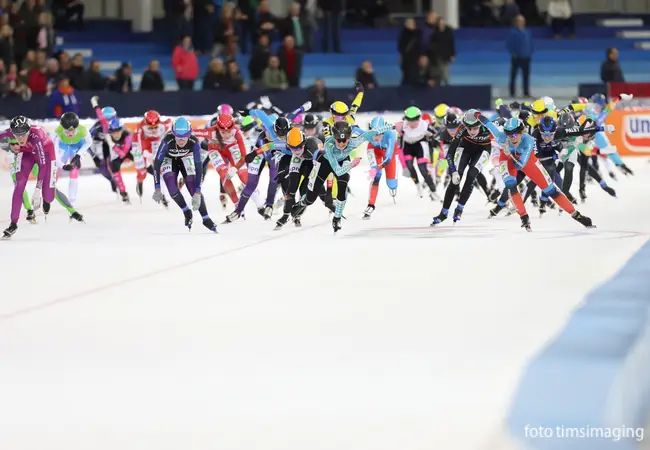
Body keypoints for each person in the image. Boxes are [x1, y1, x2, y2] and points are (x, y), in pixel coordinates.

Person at [152, 117, 217, 232]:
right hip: (169, 159)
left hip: (185, 158)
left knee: (193, 187)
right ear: (173, 134)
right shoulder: (167, 140)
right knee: (172, 189)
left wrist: (198, 192)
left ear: (189, 134)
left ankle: (206, 218)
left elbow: (199, 168)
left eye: (184, 137)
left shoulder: (194, 142)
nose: (181, 140)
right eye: (178, 137)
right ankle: (186, 211)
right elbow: (157, 164)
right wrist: (157, 188)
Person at [1, 116, 56, 239]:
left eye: (23, 135)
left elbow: (42, 165)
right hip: (26, 152)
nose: (20, 139)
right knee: (19, 184)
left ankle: (46, 199)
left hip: (46, 153)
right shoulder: (10, 132)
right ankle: (13, 224)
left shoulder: (36, 136)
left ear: (28, 132)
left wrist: (37, 190)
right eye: (17, 135)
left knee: (48, 196)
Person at [506, 15, 533, 97]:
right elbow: (509, 44)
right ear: (516, 22)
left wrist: (530, 53)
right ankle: (512, 92)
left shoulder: (527, 32)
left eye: (523, 21)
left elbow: (530, 43)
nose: (522, 22)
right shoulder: (513, 32)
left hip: (526, 56)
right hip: (517, 57)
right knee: (513, 75)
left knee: (526, 76)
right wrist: (513, 53)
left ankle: (526, 92)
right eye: (520, 21)